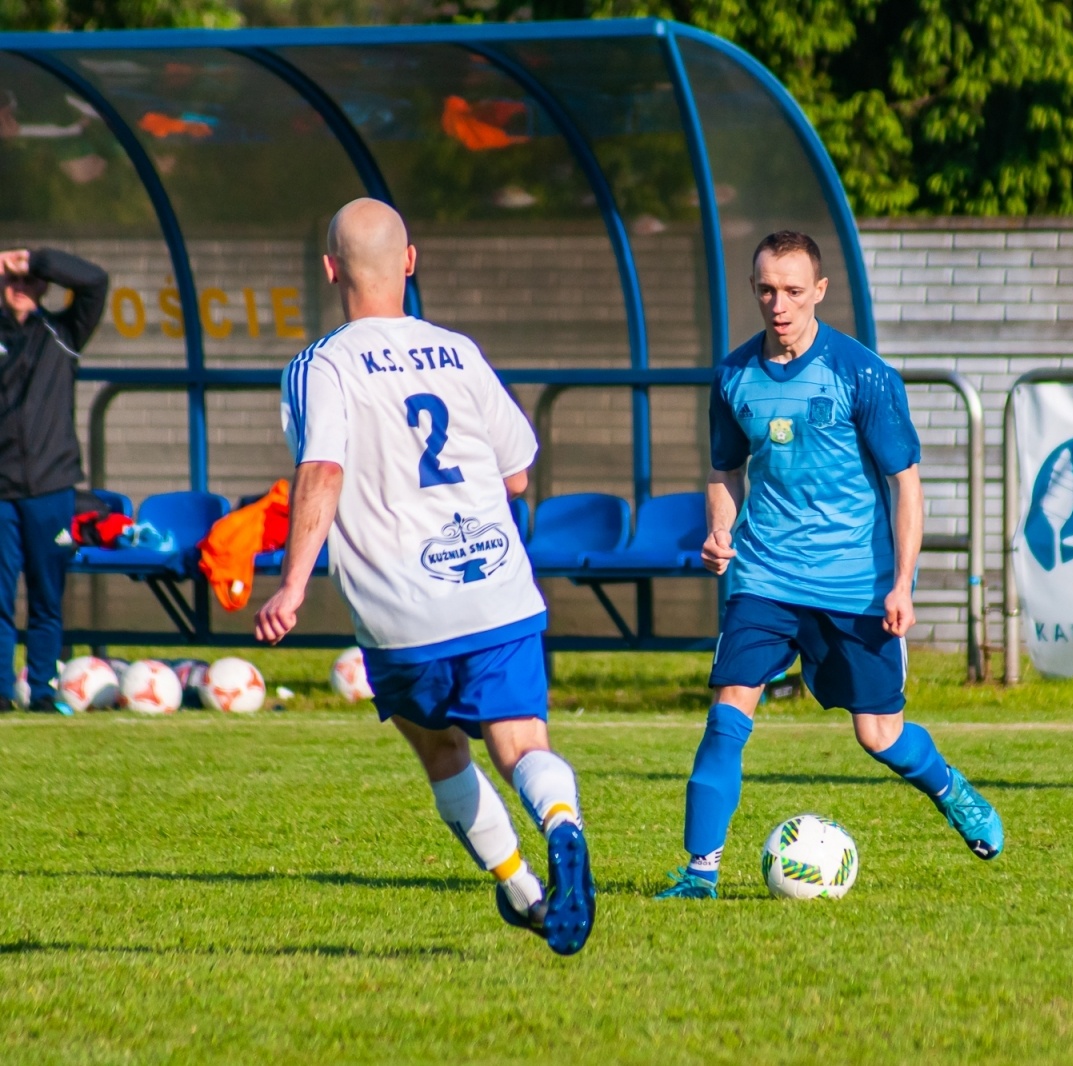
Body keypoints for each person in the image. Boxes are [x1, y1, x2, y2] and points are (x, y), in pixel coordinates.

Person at [254, 199, 595, 954]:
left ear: (330, 269)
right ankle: (562, 825)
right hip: (498, 588)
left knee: (441, 751)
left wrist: (294, 584)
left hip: (403, 611)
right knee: (521, 742)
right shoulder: (459, 351)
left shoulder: (323, 365)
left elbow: (323, 470)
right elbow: (517, 473)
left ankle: (522, 890)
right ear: (411, 260)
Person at [654, 231, 1003, 900]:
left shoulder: (861, 373)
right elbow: (725, 468)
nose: (777, 304)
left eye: (791, 290)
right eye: (765, 289)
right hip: (764, 576)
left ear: (819, 290)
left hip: (855, 583)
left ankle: (951, 791)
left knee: (879, 735)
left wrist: (902, 583)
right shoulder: (732, 377)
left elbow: (906, 486)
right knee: (728, 713)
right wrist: (720, 532)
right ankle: (699, 874)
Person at [0, 246, 108, 713]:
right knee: (0, 598)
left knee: (47, 596)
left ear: (42, 286)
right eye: (12, 282)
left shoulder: (63, 332)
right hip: (1, 493)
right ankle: (2, 691)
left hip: (52, 489)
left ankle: (42, 690)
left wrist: (34, 260)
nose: (20, 290)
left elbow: (95, 281)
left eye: (27, 282)